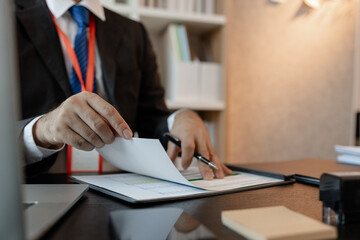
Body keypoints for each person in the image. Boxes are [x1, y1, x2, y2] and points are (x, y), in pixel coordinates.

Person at [16, 0, 232, 179]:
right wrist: (41, 130)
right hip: (37, 188)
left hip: (122, 189)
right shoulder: (8, 18)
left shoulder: (133, 32)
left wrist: (180, 119)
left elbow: (152, 119)